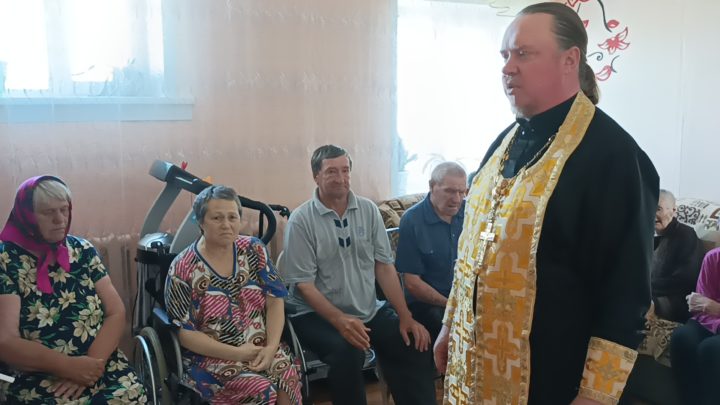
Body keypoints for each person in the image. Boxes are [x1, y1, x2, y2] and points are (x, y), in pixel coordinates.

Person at [433, 3, 659, 405]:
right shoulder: (502, 143)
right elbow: (475, 250)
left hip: (552, 377)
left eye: (523, 54)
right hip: (474, 368)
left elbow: (625, 292)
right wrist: (451, 324)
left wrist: (596, 394)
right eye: (505, 55)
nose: (508, 68)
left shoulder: (614, 156)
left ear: (569, 60)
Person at [283, 145, 437, 405]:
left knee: (412, 340)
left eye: (345, 170)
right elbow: (304, 286)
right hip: (314, 314)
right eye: (331, 172)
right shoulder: (301, 220)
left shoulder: (368, 210)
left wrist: (405, 315)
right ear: (316, 176)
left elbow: (384, 267)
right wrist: (340, 320)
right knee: (348, 352)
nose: (340, 178)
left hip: (367, 309)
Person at [0, 176, 146, 403]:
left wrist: (90, 368)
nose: (59, 219)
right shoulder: (6, 260)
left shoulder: (82, 250)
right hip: (37, 375)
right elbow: (7, 342)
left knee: (130, 396)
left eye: (64, 210)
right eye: (48, 212)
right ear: (27, 216)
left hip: (99, 364)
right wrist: (69, 367)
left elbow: (116, 312)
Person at [164, 185, 301, 404]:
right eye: (217, 218)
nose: (226, 225)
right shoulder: (183, 267)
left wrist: (271, 347)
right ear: (201, 222)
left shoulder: (254, 250)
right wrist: (238, 354)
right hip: (213, 358)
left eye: (232, 217)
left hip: (261, 347)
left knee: (286, 376)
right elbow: (186, 334)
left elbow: (275, 301)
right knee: (261, 389)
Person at [395, 162, 466, 341]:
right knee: (455, 328)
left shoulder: (471, 213)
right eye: (450, 191)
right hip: (428, 304)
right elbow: (412, 283)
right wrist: (451, 306)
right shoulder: (412, 220)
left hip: (463, 300)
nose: (457, 199)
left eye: (462, 192)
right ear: (432, 186)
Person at [670, 245, 720, 405]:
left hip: (714, 318)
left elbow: (708, 305)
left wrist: (715, 308)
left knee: (711, 349)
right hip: (708, 321)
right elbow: (699, 306)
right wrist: (711, 309)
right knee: (681, 338)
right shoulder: (713, 257)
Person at [651, 189, 705, 322]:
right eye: (649, 207)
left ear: (674, 211)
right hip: (650, 292)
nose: (652, 214)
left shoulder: (686, 235)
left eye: (658, 209)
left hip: (676, 301)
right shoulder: (647, 235)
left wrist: (644, 287)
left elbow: (685, 280)